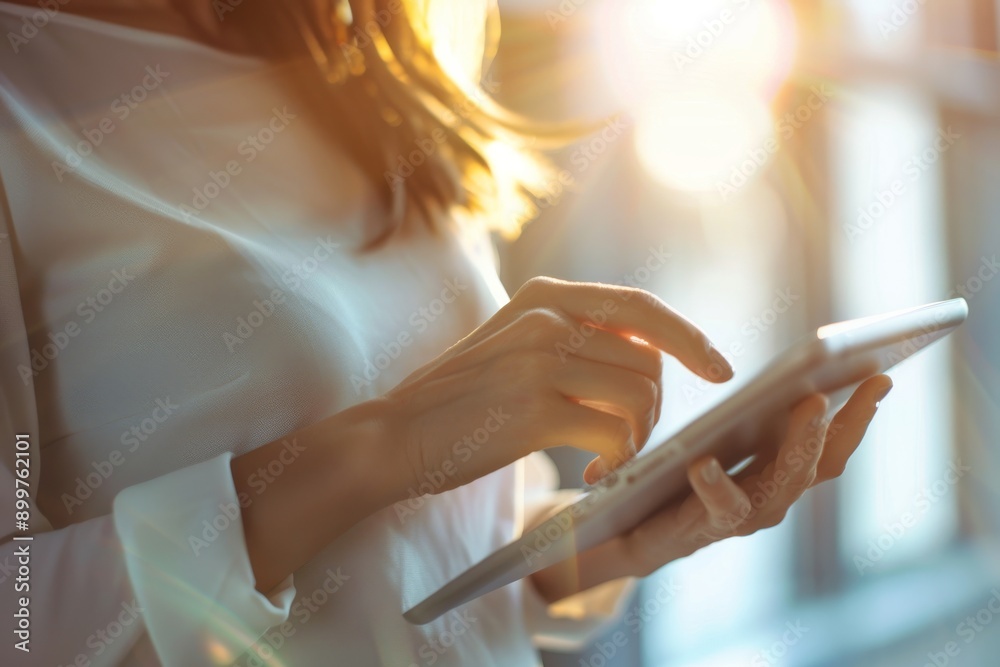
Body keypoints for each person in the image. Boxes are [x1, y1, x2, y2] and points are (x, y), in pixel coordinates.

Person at [0, 1, 893, 664]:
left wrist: (601, 540)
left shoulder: (357, 48)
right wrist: (381, 445)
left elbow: (419, 552)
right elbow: (20, 617)